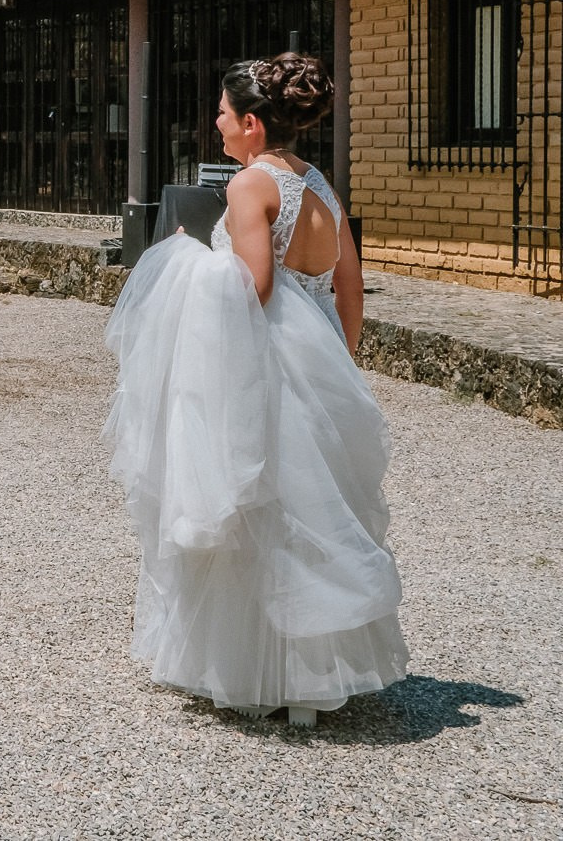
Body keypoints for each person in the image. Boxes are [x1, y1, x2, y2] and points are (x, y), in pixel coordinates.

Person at [104, 52, 408, 725]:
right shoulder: (322, 185)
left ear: (250, 123)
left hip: (261, 368)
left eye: (221, 111)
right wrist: (335, 363)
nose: (214, 123)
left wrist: (186, 253)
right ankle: (306, 678)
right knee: (309, 517)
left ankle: (254, 672)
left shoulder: (250, 187)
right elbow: (349, 287)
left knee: (257, 512)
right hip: (319, 362)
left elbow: (254, 285)